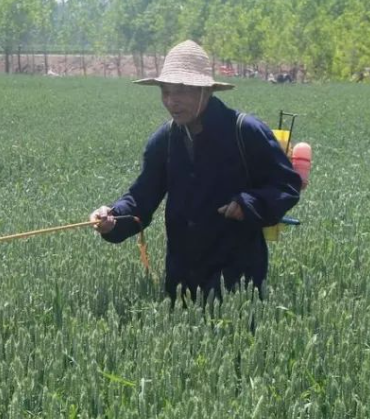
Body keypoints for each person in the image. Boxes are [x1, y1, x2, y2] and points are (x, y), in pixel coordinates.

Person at [90, 40, 301, 304]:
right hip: (181, 280)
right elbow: (141, 198)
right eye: (165, 92)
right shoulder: (164, 139)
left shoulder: (245, 131)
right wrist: (113, 217)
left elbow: (286, 185)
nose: (171, 101)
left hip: (238, 277)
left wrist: (247, 204)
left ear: (205, 90)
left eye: (181, 91)